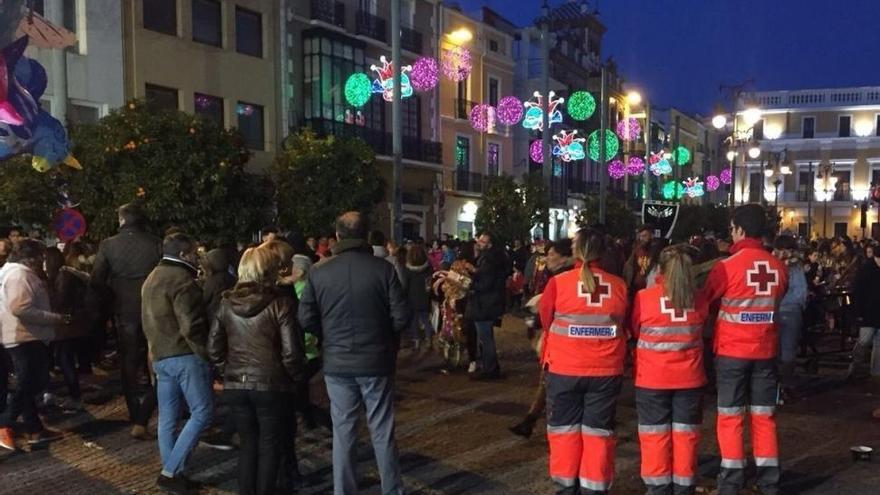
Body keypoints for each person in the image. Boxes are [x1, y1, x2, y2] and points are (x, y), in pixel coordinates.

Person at [298, 212, 410, 495]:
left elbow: (306, 317)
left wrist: (328, 335)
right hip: (376, 360)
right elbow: (401, 316)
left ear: (337, 236)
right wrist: (384, 336)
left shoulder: (319, 271)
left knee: (344, 431)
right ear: (365, 235)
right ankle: (392, 490)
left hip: (338, 362)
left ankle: (343, 490)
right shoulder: (382, 269)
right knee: (382, 430)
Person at [699, 204, 788, 495]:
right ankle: (769, 481)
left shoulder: (726, 267)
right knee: (764, 417)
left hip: (732, 353)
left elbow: (706, 303)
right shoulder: (778, 267)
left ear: (739, 230)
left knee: (730, 417)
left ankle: (731, 481)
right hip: (766, 351)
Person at [209, 246, 306, 495]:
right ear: (270, 270)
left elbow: (214, 348)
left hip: (237, 384)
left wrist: (228, 371)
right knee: (269, 445)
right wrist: (294, 380)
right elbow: (292, 353)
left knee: (248, 444)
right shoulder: (281, 304)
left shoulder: (226, 303)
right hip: (270, 384)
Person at [538, 228, 628, 494]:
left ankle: (566, 489)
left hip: (564, 370)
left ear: (575, 251)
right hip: (605, 372)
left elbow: (546, 320)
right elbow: (622, 323)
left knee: (564, 433)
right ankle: (594, 488)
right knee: (598, 435)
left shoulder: (559, 283)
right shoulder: (619, 286)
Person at [630, 245, 707, 494]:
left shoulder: (644, 298)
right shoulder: (699, 300)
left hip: (652, 380)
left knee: (655, 437)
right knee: (686, 437)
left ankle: (658, 488)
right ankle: (684, 487)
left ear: (660, 270)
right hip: (690, 380)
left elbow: (634, 330)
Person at [141, 233, 213, 493]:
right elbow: (192, 326)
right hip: (185, 355)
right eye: (194, 253)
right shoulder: (183, 281)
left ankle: (172, 470)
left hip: (160, 355)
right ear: (184, 254)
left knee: (167, 417)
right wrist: (206, 354)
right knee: (202, 412)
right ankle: (171, 472)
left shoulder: (151, 278)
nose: (197, 257)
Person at [91, 203, 161, 439]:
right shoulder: (155, 242)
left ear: (122, 220)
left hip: (124, 308)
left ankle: (135, 411)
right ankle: (159, 405)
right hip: (153, 307)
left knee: (129, 361)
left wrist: (111, 298)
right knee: (157, 358)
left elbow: (97, 279)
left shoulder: (108, 245)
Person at [0, 239, 69, 450]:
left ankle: (34, 429)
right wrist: (55, 318)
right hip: (25, 337)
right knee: (32, 382)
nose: (43, 261)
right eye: (41, 257)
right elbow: (21, 308)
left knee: (27, 383)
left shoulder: (9, 272)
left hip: (19, 336)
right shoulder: (20, 275)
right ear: (32, 258)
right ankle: (4, 424)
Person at [509, 238, 574, 439]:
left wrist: (533, 321)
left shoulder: (562, 280)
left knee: (551, 383)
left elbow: (549, 312)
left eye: (552, 254)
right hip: (568, 342)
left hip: (562, 343)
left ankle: (546, 424)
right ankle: (530, 420)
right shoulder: (565, 276)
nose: (547, 258)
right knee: (546, 382)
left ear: (564, 257)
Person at [45, 247, 97, 411]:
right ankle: (74, 393)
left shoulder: (63, 276)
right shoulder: (65, 274)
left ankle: (75, 395)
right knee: (64, 358)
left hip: (66, 325)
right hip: (68, 324)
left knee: (64, 359)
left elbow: (61, 300)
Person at [467, 233, 509, 380]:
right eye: (479, 239)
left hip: (485, 303)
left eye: (483, 240)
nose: (479, 242)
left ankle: (490, 370)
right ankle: (491, 367)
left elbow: (486, 283)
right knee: (486, 337)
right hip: (489, 302)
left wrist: (469, 284)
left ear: (489, 244)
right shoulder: (492, 257)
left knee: (485, 338)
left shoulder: (489, 259)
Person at [773, 236, 807, 396]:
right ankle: (785, 385)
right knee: (787, 350)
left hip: (776, 311)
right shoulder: (795, 267)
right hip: (789, 311)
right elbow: (801, 292)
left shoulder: (775, 265)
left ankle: (780, 385)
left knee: (779, 350)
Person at [851, 244, 880, 379]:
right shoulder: (865, 270)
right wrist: (858, 312)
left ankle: (876, 372)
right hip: (868, 312)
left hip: (873, 311)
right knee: (864, 340)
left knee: (878, 344)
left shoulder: (866, 269)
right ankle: (856, 365)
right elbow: (858, 292)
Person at [403, 243, 434, 352]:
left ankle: (416, 342)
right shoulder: (428, 267)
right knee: (426, 320)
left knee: (414, 321)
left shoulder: (407, 269)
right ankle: (429, 340)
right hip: (425, 297)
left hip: (412, 298)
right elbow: (430, 282)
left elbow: (405, 285)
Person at [201, 248, 236, 319]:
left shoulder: (213, 280)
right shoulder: (232, 277)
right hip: (230, 315)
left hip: (215, 316)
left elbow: (204, 299)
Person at [624, 225, 655, 297]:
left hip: (651, 289)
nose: (641, 238)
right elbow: (629, 268)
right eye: (640, 236)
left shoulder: (657, 252)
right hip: (637, 289)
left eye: (644, 236)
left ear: (652, 236)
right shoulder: (636, 251)